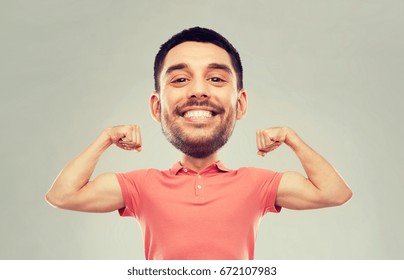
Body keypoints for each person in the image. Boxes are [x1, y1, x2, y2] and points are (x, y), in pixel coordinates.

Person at [45, 27, 352, 260]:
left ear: (240, 104)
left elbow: (334, 193)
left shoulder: (256, 184)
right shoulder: (142, 186)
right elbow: (63, 195)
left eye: (216, 79)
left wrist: (291, 138)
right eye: (179, 79)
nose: (198, 91)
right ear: (156, 107)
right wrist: (106, 138)